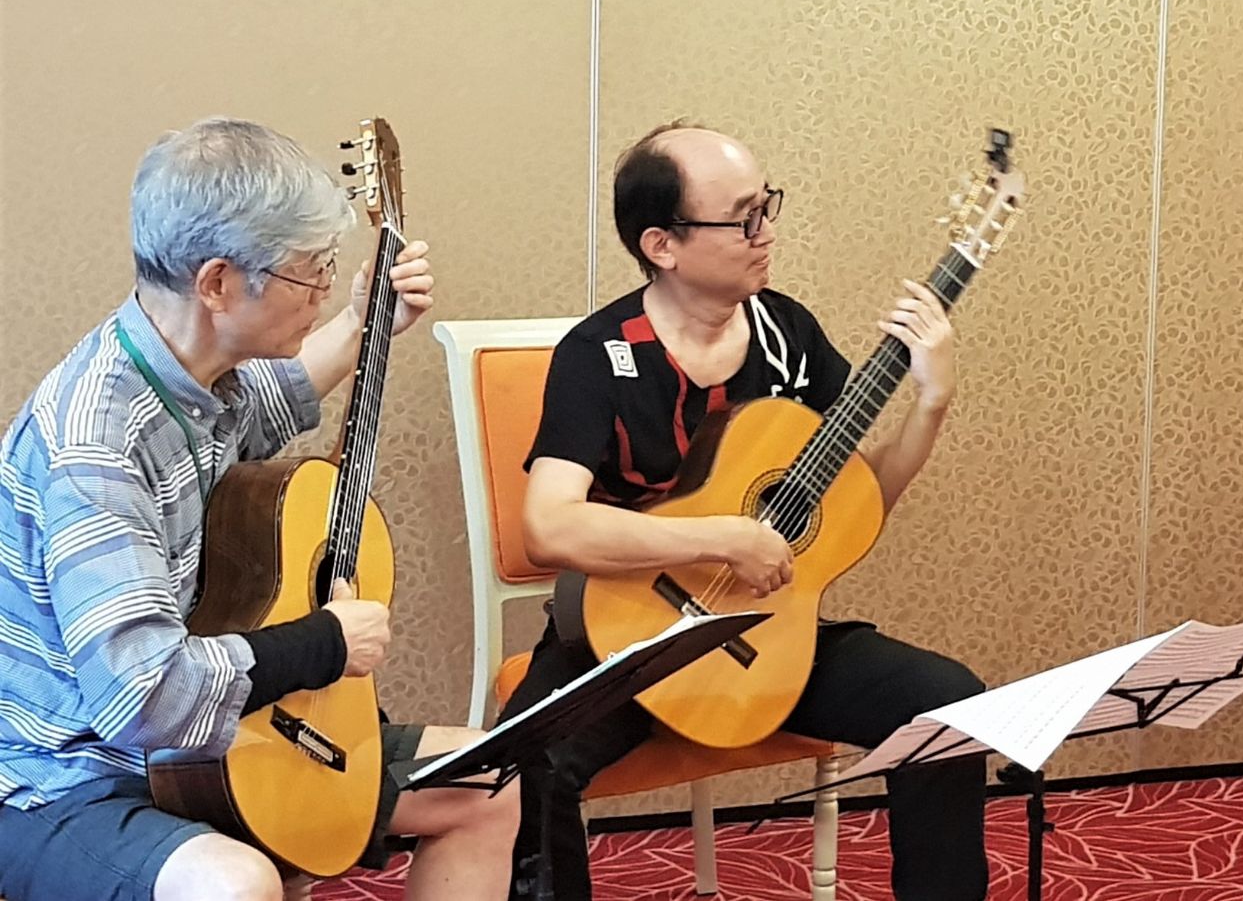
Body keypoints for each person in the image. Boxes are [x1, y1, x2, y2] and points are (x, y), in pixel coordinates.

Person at [0, 117, 519, 901]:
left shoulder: (201, 370)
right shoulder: (95, 446)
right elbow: (143, 696)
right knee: (233, 883)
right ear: (216, 283)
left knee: (489, 782)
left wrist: (364, 321)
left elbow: (279, 398)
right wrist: (324, 644)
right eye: (308, 275)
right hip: (70, 773)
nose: (322, 291)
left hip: (209, 742)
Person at [504, 121, 988, 900]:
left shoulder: (787, 334)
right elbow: (550, 525)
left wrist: (931, 403)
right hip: (626, 638)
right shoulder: (598, 356)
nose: (766, 232)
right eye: (742, 218)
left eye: (767, 206)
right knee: (526, 764)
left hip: (764, 637)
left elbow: (859, 501)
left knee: (948, 705)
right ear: (662, 244)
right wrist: (724, 538)